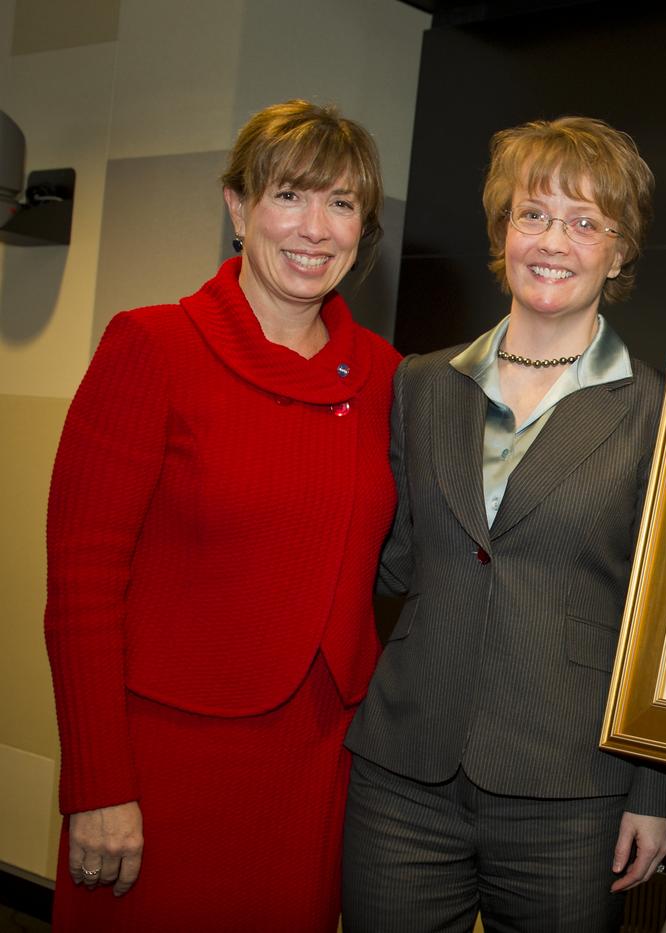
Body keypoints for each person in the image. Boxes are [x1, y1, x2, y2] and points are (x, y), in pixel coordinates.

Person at [44, 100, 400, 931]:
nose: (315, 229)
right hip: (167, 763)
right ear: (238, 209)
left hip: (317, 762)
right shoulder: (153, 346)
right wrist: (97, 784)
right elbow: (82, 584)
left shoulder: (389, 377)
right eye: (289, 196)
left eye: (341, 204)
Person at [342, 116, 666, 932]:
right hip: (404, 774)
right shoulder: (420, 385)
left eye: (584, 221)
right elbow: (389, 560)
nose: (553, 240)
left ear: (620, 247)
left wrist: (656, 788)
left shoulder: (661, 412)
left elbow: (664, 615)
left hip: (570, 791)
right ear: (502, 230)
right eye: (533, 214)